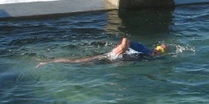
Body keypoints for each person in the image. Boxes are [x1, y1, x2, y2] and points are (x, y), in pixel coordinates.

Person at [40, 38, 169, 65]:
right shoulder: (144, 49)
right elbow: (126, 39)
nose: (157, 53)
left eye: (160, 52)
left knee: (83, 64)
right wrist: (123, 45)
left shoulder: (147, 57)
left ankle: (50, 62)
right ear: (155, 48)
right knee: (77, 62)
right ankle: (49, 62)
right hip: (111, 57)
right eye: (158, 50)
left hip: (113, 62)